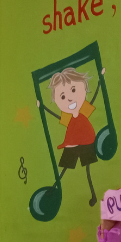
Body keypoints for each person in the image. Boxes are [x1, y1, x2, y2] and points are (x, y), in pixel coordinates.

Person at [36, 68, 100, 206]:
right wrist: (43, 107)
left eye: (73, 90)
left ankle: (93, 194)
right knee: (65, 167)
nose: (70, 98)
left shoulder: (84, 110)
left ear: (84, 88)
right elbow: (56, 115)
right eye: (63, 97)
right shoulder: (67, 118)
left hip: (87, 141)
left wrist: (101, 79)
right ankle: (54, 189)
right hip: (72, 143)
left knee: (87, 169)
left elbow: (94, 96)